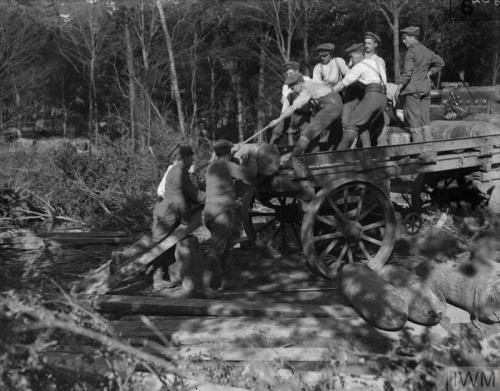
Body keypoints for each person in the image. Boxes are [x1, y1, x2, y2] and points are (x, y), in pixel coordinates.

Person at [111, 145, 205, 291]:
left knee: (162, 247)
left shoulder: (177, 170)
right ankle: (121, 257)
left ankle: (158, 281)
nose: (193, 159)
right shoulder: (179, 172)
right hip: (168, 214)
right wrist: (188, 216)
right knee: (153, 241)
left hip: (166, 212)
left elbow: (188, 195)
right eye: (191, 156)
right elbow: (187, 197)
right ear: (185, 157)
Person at [203, 139, 258, 290]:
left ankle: (225, 281)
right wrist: (252, 157)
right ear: (228, 152)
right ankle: (204, 285)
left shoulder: (212, 166)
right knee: (216, 249)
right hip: (220, 213)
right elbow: (249, 174)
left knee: (226, 246)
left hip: (210, 212)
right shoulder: (226, 166)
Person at [268, 74, 342, 170]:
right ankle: (319, 159)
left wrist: (277, 120)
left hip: (330, 107)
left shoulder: (305, 89)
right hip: (337, 103)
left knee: (307, 134)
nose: (292, 89)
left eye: (292, 86)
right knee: (318, 132)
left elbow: (293, 108)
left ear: (299, 83)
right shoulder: (312, 82)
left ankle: (293, 160)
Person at [333, 43, 387, 149]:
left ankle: (339, 154)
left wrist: (330, 91)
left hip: (372, 97)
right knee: (363, 124)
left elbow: (345, 82)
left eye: (352, 57)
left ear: (359, 55)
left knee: (352, 124)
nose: (352, 60)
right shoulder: (377, 63)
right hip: (383, 98)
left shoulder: (360, 66)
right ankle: (367, 153)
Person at [395, 26, 444, 142]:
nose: (403, 41)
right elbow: (441, 63)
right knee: (425, 119)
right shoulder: (427, 51)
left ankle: (419, 149)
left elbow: (407, 74)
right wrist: (430, 72)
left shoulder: (411, 52)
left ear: (412, 38)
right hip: (425, 90)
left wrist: (398, 89)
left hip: (412, 90)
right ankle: (429, 147)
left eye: (405, 38)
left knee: (414, 120)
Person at [270, 61, 312, 145]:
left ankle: (304, 153)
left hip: (306, 113)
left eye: (290, 73)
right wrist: (281, 117)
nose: (288, 76)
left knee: (305, 134)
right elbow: (286, 102)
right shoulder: (286, 85)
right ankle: (270, 148)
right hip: (291, 112)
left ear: (297, 71)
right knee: (277, 130)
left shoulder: (307, 80)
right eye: (287, 74)